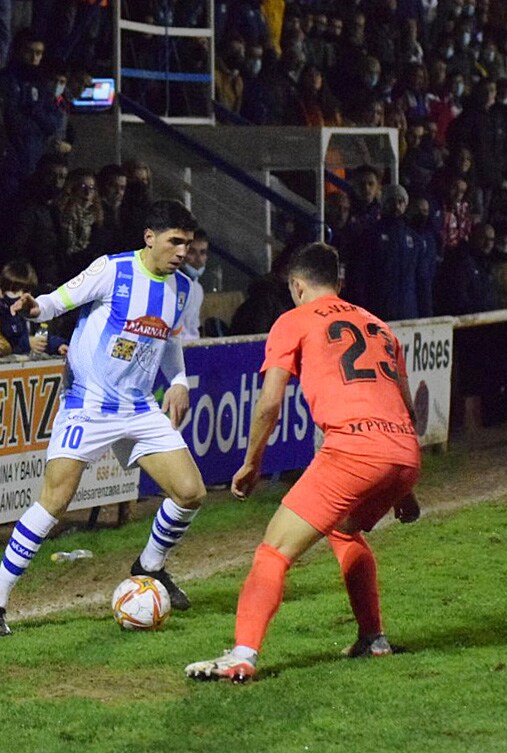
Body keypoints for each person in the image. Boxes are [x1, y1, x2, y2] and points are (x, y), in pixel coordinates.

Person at [185, 242, 421, 683]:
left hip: (353, 448)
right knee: (345, 529)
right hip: (404, 450)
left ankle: (242, 655)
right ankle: (373, 639)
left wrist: (252, 463)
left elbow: (269, 403)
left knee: (274, 550)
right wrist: (404, 486)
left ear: (296, 286)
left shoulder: (292, 321)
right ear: (339, 283)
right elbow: (405, 407)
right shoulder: (378, 325)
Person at [0, 200, 207, 636]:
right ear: (150, 238)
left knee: (191, 492)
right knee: (56, 500)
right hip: (88, 404)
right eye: (174, 242)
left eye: (187, 244)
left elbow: (169, 339)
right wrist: (31, 308)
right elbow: (55, 302)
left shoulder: (179, 288)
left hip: (138, 407)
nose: (181, 252)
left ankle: (150, 566)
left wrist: (179, 381)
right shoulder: (112, 270)